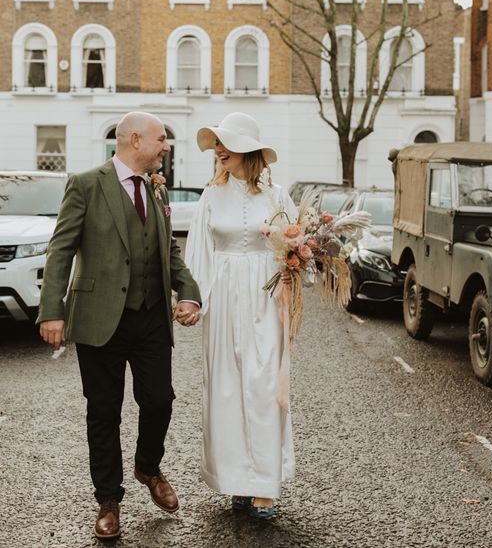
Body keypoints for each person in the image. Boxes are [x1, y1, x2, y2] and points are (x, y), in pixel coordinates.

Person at [37, 111, 202, 540]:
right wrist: (51, 310)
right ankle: (108, 499)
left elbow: (168, 251)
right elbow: (60, 250)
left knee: (160, 399)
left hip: (150, 318)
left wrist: (188, 293)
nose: (166, 146)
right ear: (134, 139)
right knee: (104, 412)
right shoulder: (86, 184)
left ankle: (148, 466)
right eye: (161, 139)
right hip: (98, 319)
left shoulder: (155, 188)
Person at [185, 112, 297, 519]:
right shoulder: (210, 196)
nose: (218, 150)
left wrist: (294, 269)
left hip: (268, 298)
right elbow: (198, 252)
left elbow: (295, 249)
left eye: (225, 143)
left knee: (265, 383)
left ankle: (265, 484)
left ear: (247, 151)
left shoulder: (279, 196)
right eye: (217, 144)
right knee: (227, 386)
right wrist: (194, 300)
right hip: (224, 295)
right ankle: (237, 479)